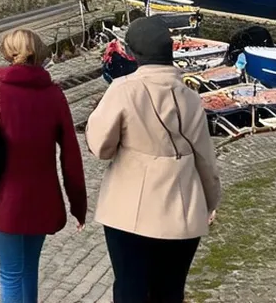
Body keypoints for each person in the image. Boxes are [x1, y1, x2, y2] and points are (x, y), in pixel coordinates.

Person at [86, 16, 222, 303]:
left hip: (129, 210)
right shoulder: (191, 98)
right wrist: (208, 204)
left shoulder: (123, 90)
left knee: (130, 288)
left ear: (132, 53)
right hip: (183, 209)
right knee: (170, 292)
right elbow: (205, 160)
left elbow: (100, 148)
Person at [0, 28, 87, 303]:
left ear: (7, 52)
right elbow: (71, 154)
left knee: (11, 273)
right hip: (44, 198)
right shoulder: (54, 94)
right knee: (28, 271)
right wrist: (78, 204)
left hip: (6, 199)